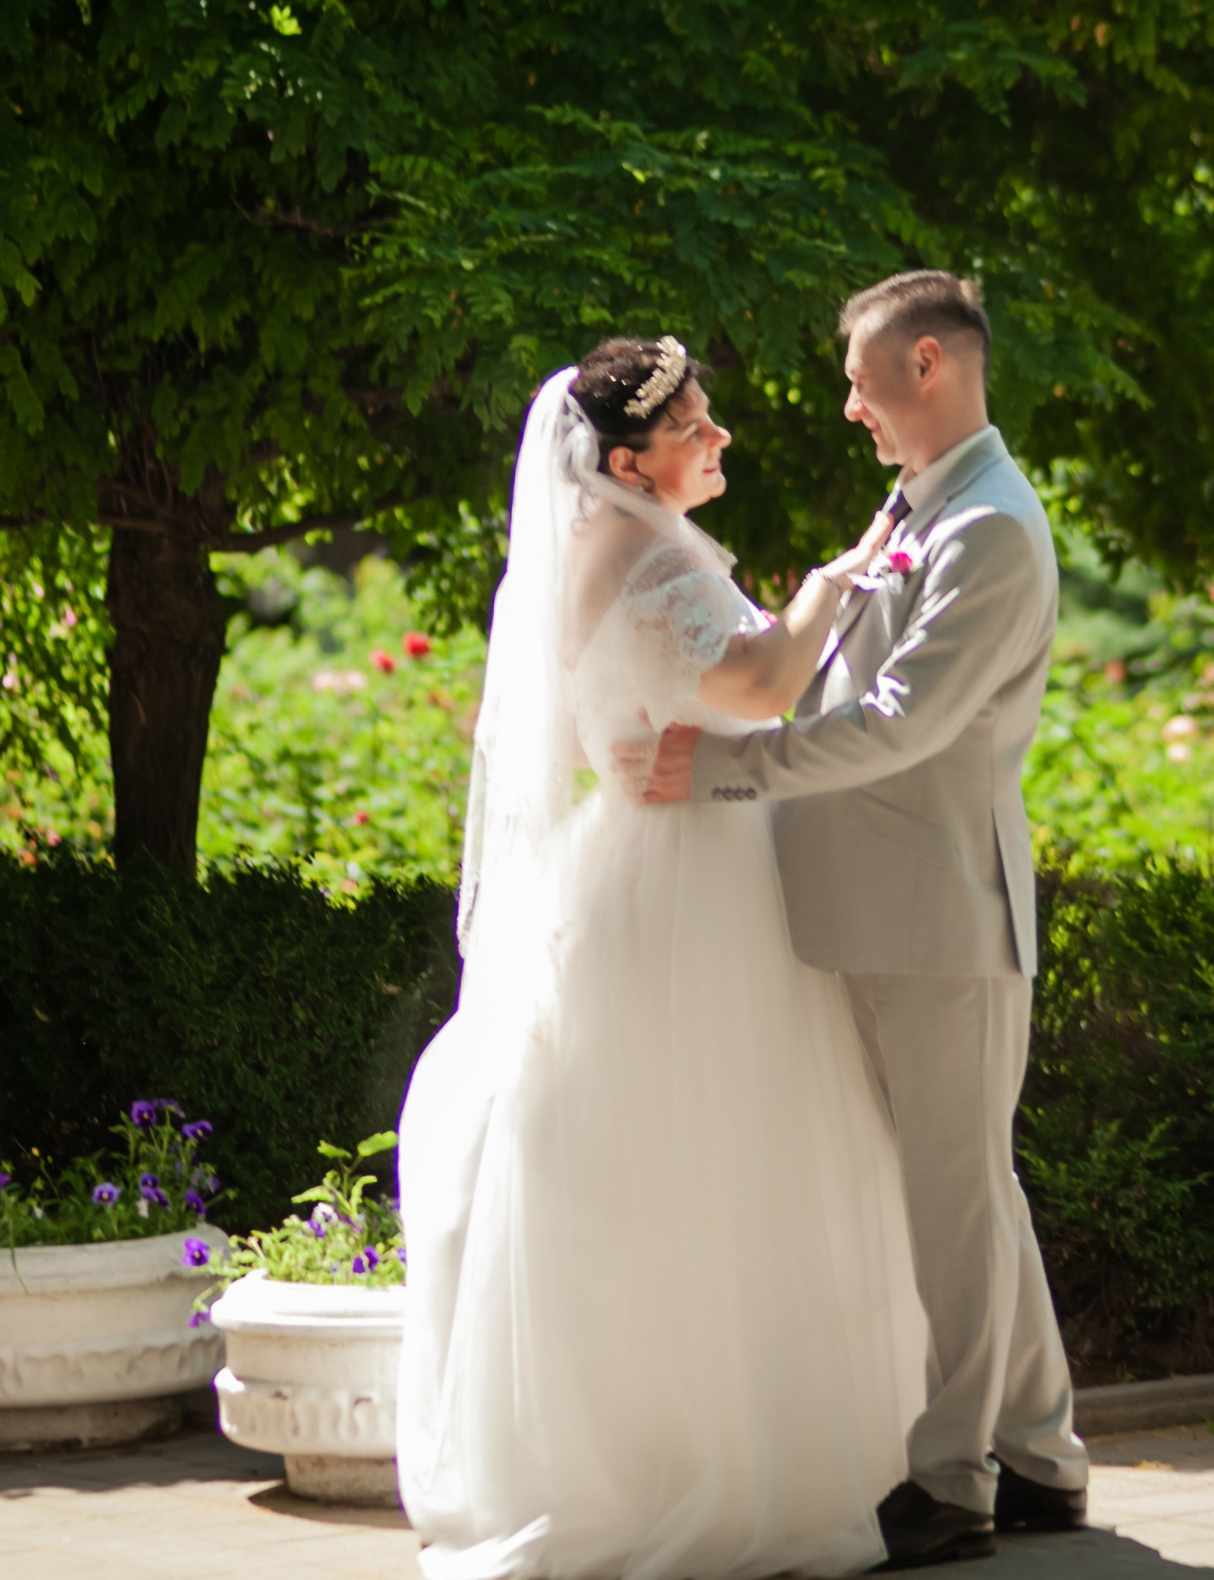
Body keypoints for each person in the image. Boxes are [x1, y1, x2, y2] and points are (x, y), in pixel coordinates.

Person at [395, 335, 927, 1579]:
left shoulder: (612, 543)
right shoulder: (640, 555)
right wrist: (835, 582)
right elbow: (757, 686)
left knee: (673, 1166)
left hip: (655, 859)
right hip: (689, 883)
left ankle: (684, 1448)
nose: (718, 437)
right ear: (629, 463)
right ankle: (711, 1470)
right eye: (693, 427)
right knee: (720, 1156)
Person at [635, 271, 1093, 1561]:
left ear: (928, 364)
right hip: (886, 909)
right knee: (975, 1194)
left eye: (859, 380)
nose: (849, 407)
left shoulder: (987, 528)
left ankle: (953, 1483)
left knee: (957, 1202)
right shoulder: (920, 503)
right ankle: (1042, 1456)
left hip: (941, 915)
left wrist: (723, 769)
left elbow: (902, 724)